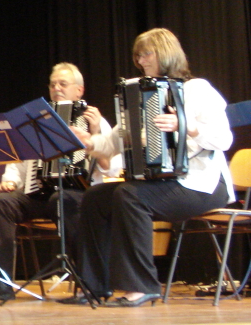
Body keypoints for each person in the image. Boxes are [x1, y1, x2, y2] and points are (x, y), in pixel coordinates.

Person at [65, 28, 233, 307]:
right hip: (162, 183)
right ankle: (93, 286)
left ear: (166, 53)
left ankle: (140, 286)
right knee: (95, 197)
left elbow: (223, 139)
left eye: (146, 55)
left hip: (203, 184)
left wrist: (186, 126)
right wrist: (89, 142)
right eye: (138, 56)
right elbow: (115, 141)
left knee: (130, 195)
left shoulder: (197, 89)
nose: (141, 62)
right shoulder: (141, 94)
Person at [0, 62, 120, 301]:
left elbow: (111, 168)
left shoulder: (95, 120)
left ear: (79, 90)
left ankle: (90, 284)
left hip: (80, 193)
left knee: (62, 199)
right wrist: (10, 182)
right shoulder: (35, 121)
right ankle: (1, 284)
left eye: (63, 84)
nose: (56, 89)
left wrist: (95, 133)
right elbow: (19, 162)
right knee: (1, 203)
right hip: (38, 192)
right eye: (53, 85)